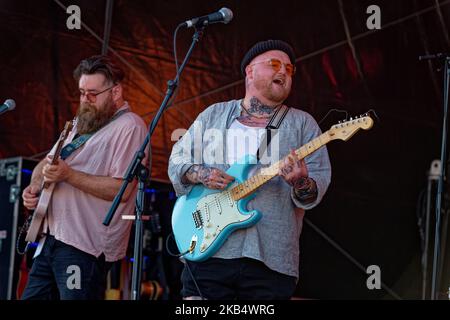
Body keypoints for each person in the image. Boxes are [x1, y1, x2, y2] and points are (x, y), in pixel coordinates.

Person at [168, 39, 332, 300]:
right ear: (250, 71)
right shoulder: (214, 114)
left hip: (271, 257)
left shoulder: (303, 125)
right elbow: (177, 160)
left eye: (289, 69)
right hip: (208, 251)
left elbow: (315, 189)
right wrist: (203, 174)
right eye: (275, 64)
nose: (283, 72)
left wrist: (301, 182)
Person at [21, 55, 148, 300]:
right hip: (50, 240)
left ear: (116, 92)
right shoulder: (78, 124)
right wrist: (34, 187)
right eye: (81, 93)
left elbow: (120, 190)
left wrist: (68, 174)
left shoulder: (130, 126)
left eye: (92, 93)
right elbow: (47, 163)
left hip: (84, 246)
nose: (85, 100)